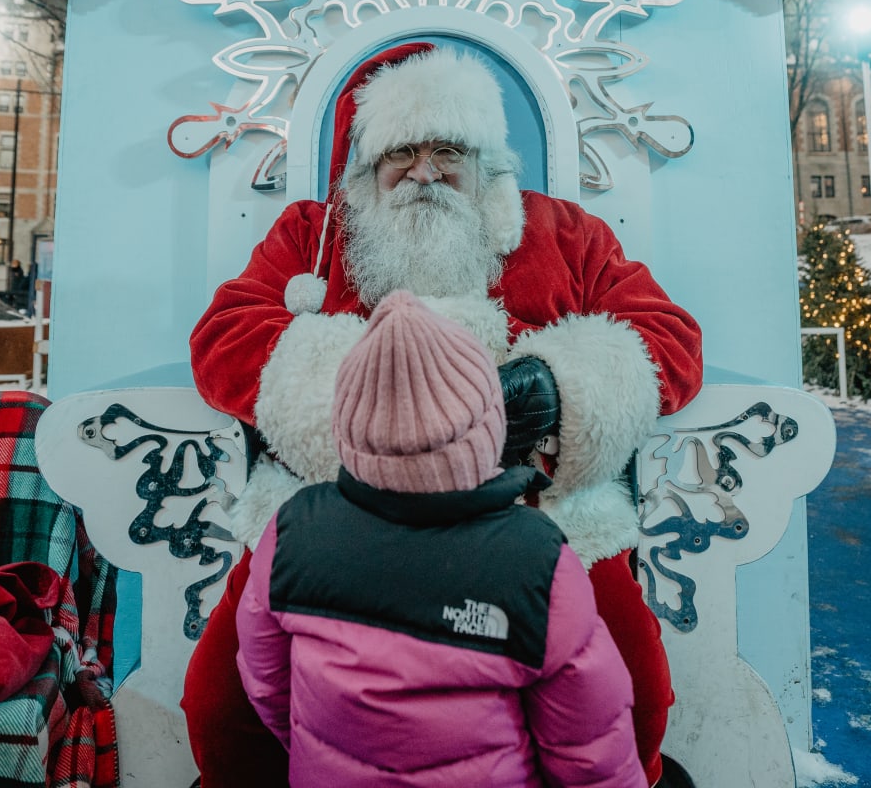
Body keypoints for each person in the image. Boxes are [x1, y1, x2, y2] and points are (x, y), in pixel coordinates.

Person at [184, 42, 704, 787]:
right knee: (221, 713)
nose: (424, 171)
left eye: (447, 150)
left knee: (638, 699)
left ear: (486, 161)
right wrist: (384, 411)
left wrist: (563, 389)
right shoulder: (315, 235)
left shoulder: (564, 234)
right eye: (402, 151)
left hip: (540, 511)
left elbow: (668, 339)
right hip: (336, 509)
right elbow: (224, 340)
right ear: (367, 165)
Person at [237, 289, 647, 787]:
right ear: (489, 428)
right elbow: (590, 746)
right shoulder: (534, 558)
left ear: (343, 428)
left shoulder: (291, 531)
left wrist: (312, 745)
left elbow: (269, 688)